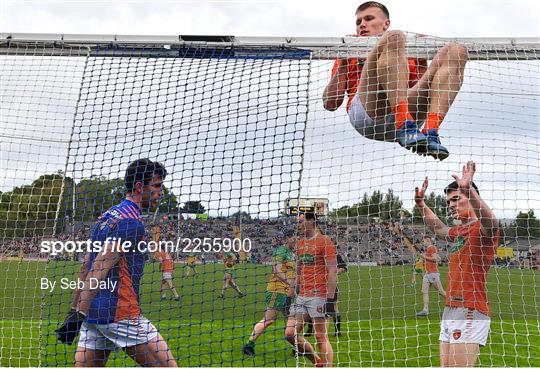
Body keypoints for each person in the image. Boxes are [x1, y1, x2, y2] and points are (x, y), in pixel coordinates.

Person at [55, 158, 177, 367]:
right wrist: (78, 315)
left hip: (94, 315)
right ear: (139, 187)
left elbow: (86, 267)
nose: (161, 192)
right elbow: (99, 266)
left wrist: (75, 312)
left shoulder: (106, 217)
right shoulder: (130, 223)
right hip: (121, 314)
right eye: (157, 186)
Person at [322, 1, 468, 160]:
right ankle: (403, 122)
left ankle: (431, 132)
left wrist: (421, 60)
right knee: (395, 37)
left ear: (386, 23)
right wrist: (344, 61)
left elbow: (421, 92)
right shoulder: (352, 49)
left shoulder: (407, 49)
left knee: (457, 50)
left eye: (368, 19)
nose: (362, 25)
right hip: (368, 116)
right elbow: (330, 104)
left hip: (411, 120)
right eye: (359, 22)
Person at [415, 161, 499, 367]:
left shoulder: (482, 229)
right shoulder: (459, 231)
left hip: (470, 307)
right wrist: (421, 205)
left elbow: (492, 223)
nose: (451, 205)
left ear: (469, 199)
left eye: (456, 199)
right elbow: (439, 229)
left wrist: (468, 190)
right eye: (448, 202)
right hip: (450, 308)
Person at [285, 213, 337, 367]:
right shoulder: (300, 243)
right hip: (301, 296)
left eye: (301, 221)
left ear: (311, 221)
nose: (298, 224)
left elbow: (333, 272)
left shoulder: (324, 241)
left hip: (319, 295)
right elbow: (298, 272)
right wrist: (289, 296)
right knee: (289, 334)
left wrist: (330, 299)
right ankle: (317, 361)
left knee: (321, 337)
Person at [242, 230, 296, 356]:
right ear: (287, 238)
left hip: (287, 292)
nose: (296, 240)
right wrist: (289, 282)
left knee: (293, 320)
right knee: (269, 320)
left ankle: (297, 347)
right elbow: (276, 270)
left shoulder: (291, 253)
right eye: (294, 238)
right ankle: (249, 345)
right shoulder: (281, 251)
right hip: (276, 291)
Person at [416, 236, 446, 316]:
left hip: (433, 273)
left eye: (424, 241)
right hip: (427, 273)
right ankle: (425, 310)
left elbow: (435, 259)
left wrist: (423, 256)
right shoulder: (429, 249)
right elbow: (438, 258)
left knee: (441, 292)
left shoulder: (432, 247)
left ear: (428, 240)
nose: (423, 242)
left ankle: (455, 305)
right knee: (424, 291)